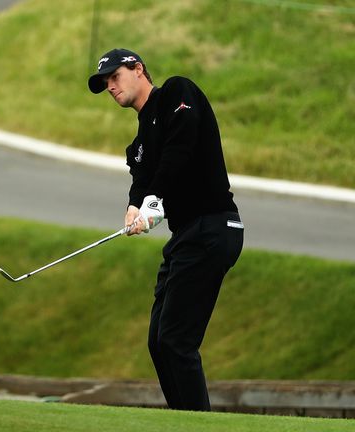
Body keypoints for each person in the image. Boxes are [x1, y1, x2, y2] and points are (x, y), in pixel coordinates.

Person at [87, 48, 244, 411]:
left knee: (176, 340)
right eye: (105, 83)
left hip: (214, 226)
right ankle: (182, 419)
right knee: (159, 341)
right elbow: (141, 183)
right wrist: (134, 209)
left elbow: (181, 146)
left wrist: (155, 199)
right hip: (186, 237)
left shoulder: (177, 93)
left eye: (115, 77)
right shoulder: (139, 144)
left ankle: (196, 423)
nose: (111, 87)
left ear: (138, 69)